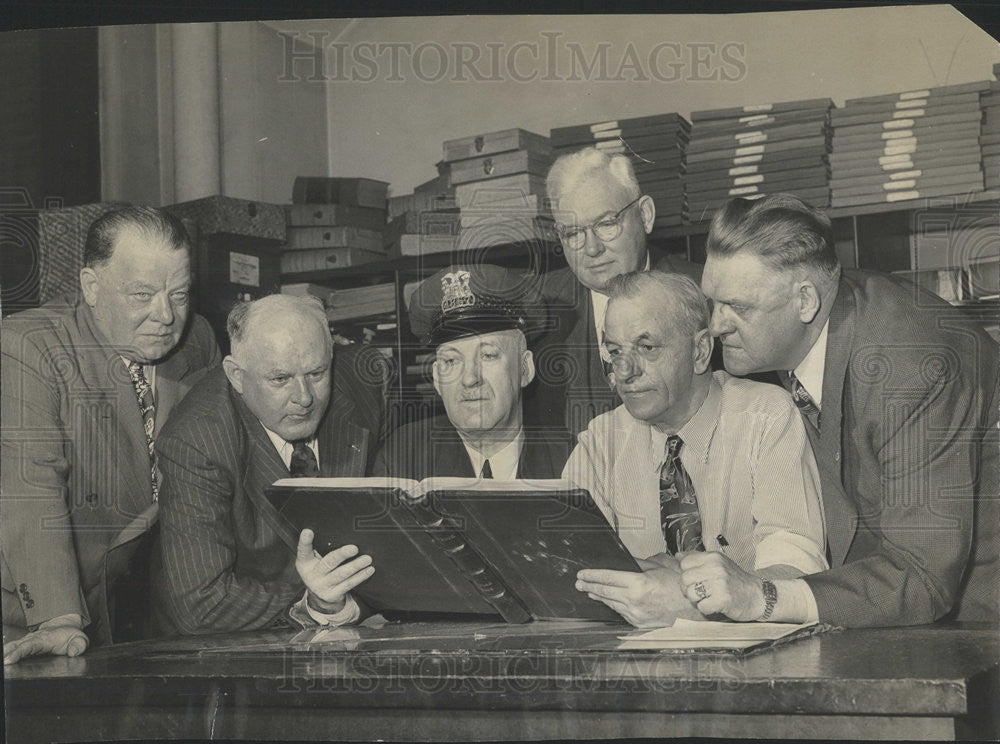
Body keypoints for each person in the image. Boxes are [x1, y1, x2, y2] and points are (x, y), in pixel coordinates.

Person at [700, 193, 999, 627]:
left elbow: (923, 578)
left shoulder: (910, 366)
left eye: (738, 308)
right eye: (714, 301)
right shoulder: (803, 328)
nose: (716, 324)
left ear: (805, 301)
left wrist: (764, 598)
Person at [2, 206, 220, 664]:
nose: (165, 315)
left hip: (136, 613)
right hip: (29, 617)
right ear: (91, 286)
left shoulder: (197, 341)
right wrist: (58, 617)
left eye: (179, 294)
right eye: (142, 294)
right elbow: (30, 485)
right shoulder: (28, 346)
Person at [567, 271, 827, 627]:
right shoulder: (600, 443)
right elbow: (568, 575)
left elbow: (798, 569)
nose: (624, 371)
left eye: (647, 348)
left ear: (700, 350)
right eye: (614, 351)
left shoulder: (767, 417)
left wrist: (690, 598)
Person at [154, 294, 386, 634]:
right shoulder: (197, 440)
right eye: (280, 379)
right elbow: (201, 603)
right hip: (230, 649)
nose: (304, 397)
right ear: (236, 376)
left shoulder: (366, 385)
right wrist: (315, 603)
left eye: (317, 373)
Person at [527, 147, 706, 436]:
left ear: (645, 215)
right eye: (573, 233)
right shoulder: (539, 307)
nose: (593, 248)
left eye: (606, 224)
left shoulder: (705, 292)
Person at [375, 264, 570, 479]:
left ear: (525, 369)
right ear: (437, 379)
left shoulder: (573, 464)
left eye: (488, 355)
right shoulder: (403, 461)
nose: (469, 379)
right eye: (451, 360)